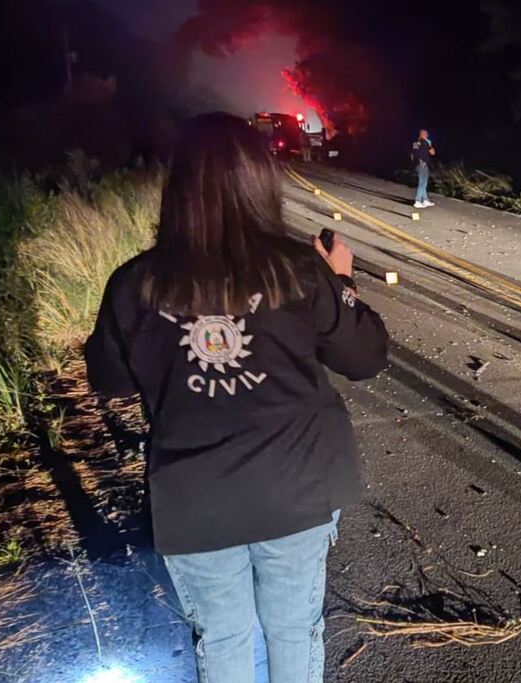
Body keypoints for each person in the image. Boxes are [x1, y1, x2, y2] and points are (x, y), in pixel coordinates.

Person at [84, 112, 389, 683]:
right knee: (293, 631)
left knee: (223, 638)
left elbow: (109, 379)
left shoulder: (135, 283)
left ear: (178, 191)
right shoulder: (298, 271)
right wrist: (342, 283)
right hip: (294, 487)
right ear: (260, 183)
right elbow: (365, 356)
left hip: (194, 496)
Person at [412, 128, 436, 208]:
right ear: (421, 134)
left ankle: (425, 200)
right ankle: (418, 200)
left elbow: (415, 152)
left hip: (422, 164)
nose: (427, 135)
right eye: (425, 134)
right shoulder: (424, 142)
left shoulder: (417, 143)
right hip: (422, 164)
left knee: (424, 182)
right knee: (422, 182)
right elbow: (432, 152)